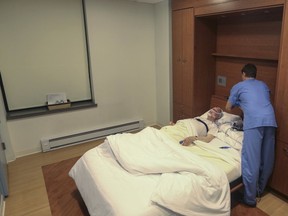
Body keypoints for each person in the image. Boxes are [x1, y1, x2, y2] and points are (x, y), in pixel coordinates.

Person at [225, 63, 277, 207]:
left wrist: (240, 104)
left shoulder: (238, 86)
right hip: (271, 120)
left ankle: (249, 198)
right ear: (255, 74)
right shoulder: (263, 85)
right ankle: (260, 190)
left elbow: (228, 107)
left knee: (251, 160)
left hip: (254, 122)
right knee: (267, 157)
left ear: (243, 74)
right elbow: (261, 101)